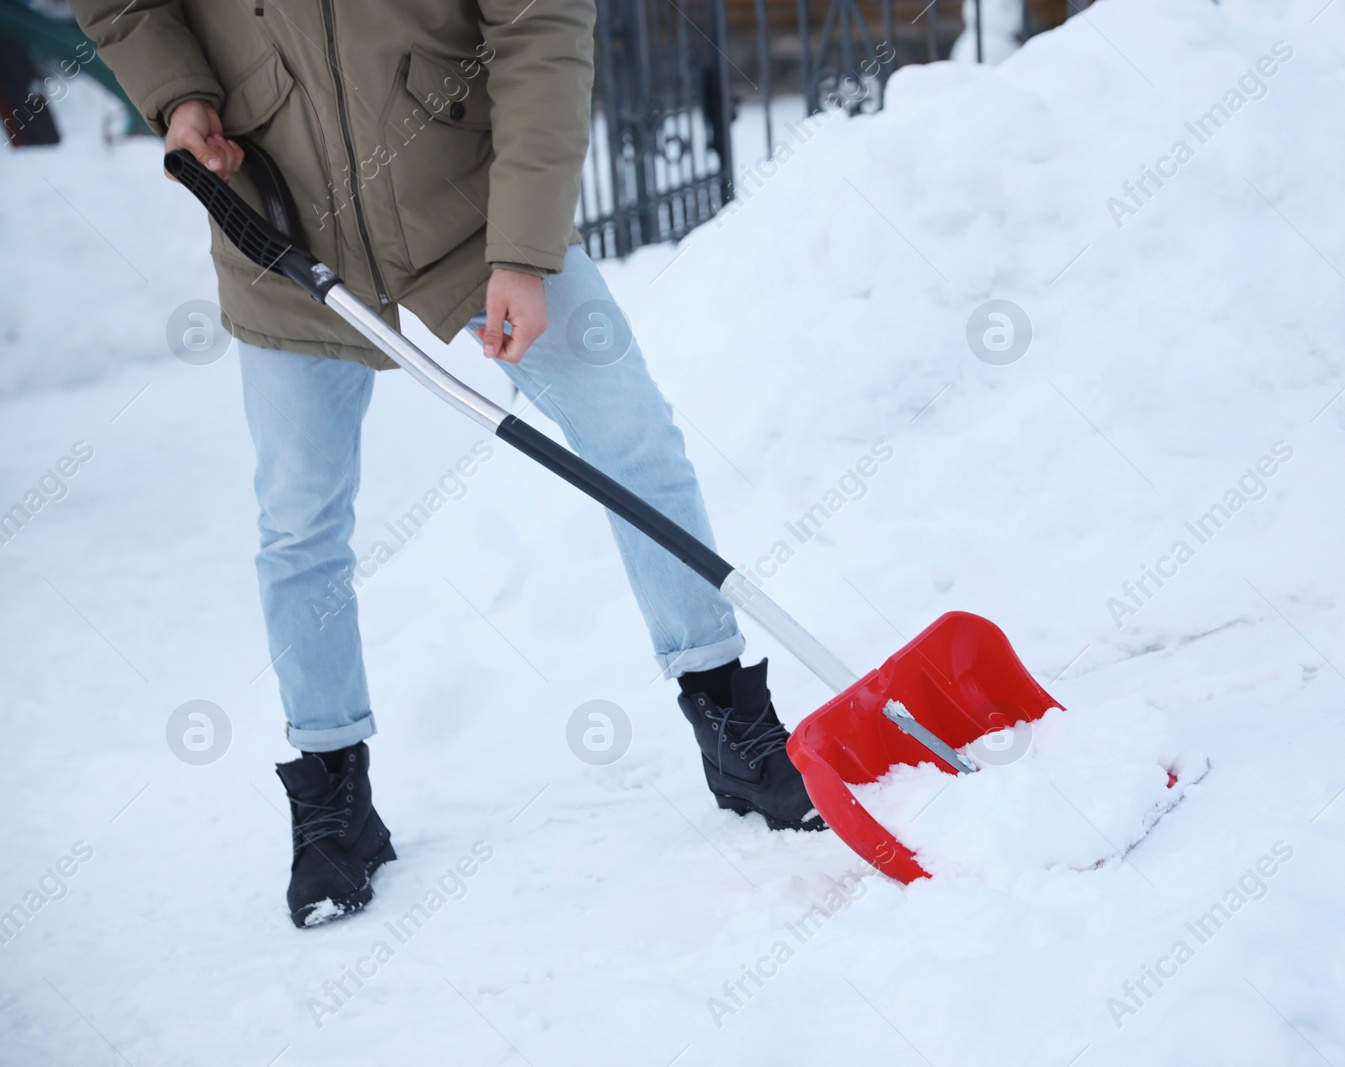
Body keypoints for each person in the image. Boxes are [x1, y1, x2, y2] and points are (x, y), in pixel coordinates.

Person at [69, 0, 820, 928]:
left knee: (630, 438)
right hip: (278, 219)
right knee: (299, 520)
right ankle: (334, 796)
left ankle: (726, 715)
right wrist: (179, 94)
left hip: (468, 208)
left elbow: (541, 25)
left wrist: (523, 246)